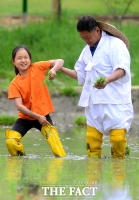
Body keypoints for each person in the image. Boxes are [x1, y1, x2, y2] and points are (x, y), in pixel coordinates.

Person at [60, 15, 133, 158]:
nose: (86, 40)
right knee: (92, 145)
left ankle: (118, 177)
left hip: (115, 102)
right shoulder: (86, 50)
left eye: (87, 36)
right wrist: (60, 68)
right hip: (94, 103)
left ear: (97, 31)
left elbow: (122, 69)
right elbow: (80, 75)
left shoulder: (116, 45)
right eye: (82, 38)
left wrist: (107, 80)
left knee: (118, 141)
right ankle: (92, 179)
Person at [5, 45, 65, 157]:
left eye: (25, 57)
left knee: (58, 151)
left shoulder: (37, 67)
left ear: (30, 59)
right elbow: (19, 106)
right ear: (13, 61)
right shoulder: (14, 84)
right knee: (11, 142)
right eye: (19, 58)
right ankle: (21, 160)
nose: (23, 60)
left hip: (44, 117)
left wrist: (53, 69)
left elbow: (60, 61)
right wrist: (37, 117)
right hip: (25, 118)